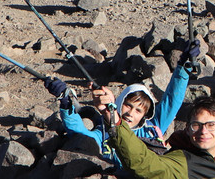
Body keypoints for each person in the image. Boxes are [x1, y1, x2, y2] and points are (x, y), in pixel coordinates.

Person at [45, 41, 199, 163]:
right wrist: (66, 102)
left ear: (145, 115)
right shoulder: (105, 133)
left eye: (138, 110)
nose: (130, 113)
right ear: (119, 103)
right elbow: (80, 133)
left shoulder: (153, 128)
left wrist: (184, 68)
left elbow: (172, 100)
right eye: (128, 105)